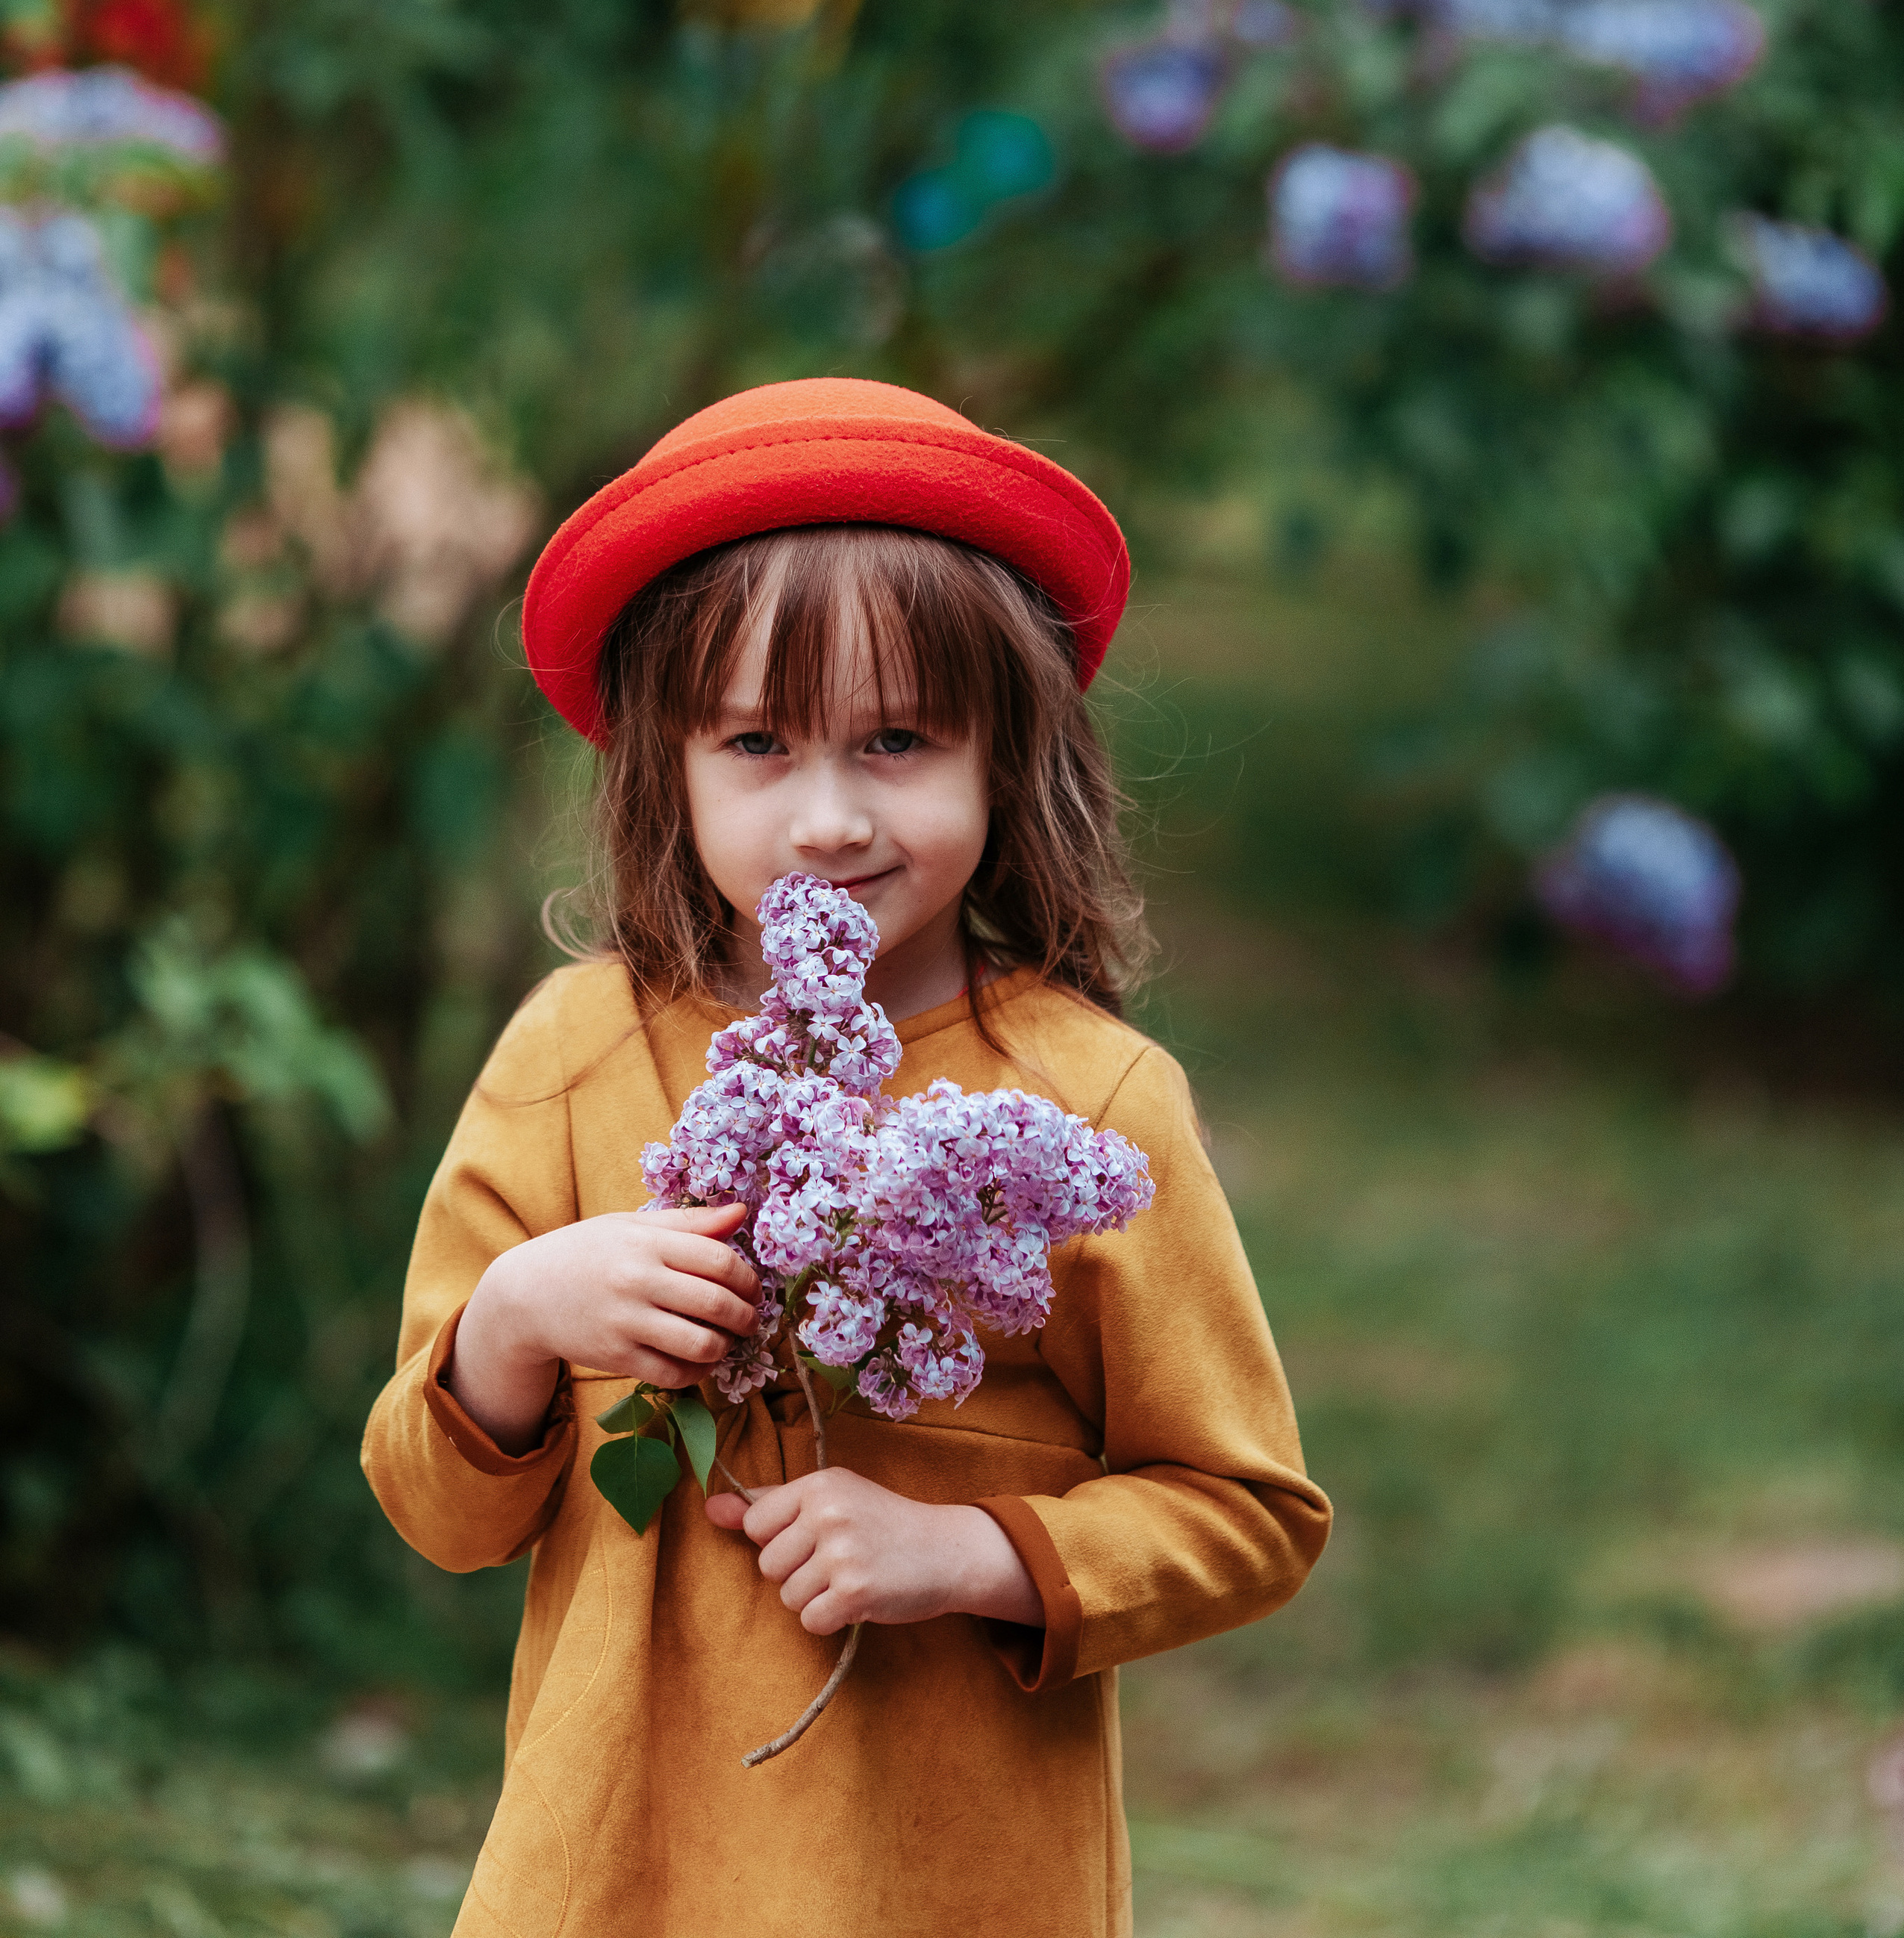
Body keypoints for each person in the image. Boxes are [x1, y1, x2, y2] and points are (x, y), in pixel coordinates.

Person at [362, 375, 1330, 1938]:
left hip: (942, 1885)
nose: (824, 817)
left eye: (895, 740)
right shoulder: (575, 1054)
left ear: (1006, 759)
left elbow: (1247, 1515)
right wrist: (517, 1323)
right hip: (616, 1874)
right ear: (663, 769)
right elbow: (434, 1509)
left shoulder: (1088, 1105)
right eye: (754, 741)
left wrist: (973, 1553)